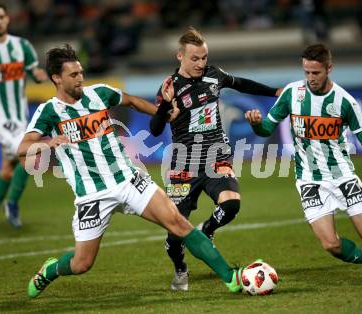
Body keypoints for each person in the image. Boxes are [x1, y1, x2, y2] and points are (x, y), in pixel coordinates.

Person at [19, 44, 246, 298]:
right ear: (56, 78)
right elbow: (23, 147)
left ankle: (231, 277)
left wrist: (166, 112)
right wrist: (49, 142)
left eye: (81, 72)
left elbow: (133, 101)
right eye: (73, 75)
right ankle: (50, 270)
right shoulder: (49, 111)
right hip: (92, 195)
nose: (80, 78)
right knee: (82, 264)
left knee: (179, 224)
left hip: (128, 179)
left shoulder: (99, 93)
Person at [245, 43, 362, 285]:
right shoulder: (292, 93)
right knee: (330, 245)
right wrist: (255, 124)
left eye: (316, 73)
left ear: (329, 68)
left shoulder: (345, 102)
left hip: (343, 176)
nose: (310, 78)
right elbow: (266, 129)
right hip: (309, 180)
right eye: (306, 72)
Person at [149, 26, 281, 291]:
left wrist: (275, 92)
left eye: (204, 57)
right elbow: (154, 129)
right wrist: (164, 105)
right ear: (180, 57)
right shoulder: (169, 87)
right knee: (175, 236)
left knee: (231, 204)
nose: (201, 63)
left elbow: (242, 83)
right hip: (184, 164)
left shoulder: (214, 75)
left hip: (215, 155)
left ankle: (207, 229)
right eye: (194, 58)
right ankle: (180, 267)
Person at [0, 2, 47, 237]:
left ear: (8, 19)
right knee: (28, 152)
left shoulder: (21, 46)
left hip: (19, 116)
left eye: (2, 16)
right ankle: (12, 202)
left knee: (8, 168)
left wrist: (38, 74)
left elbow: (34, 70)